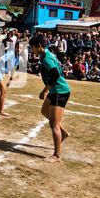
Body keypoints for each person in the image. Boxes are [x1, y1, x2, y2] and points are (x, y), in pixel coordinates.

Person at [29, 34, 71, 163]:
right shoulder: (47, 54)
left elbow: (55, 74)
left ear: (40, 47)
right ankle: (63, 133)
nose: (32, 50)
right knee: (44, 111)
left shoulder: (47, 58)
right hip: (55, 90)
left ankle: (57, 155)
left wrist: (44, 90)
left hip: (59, 91)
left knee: (53, 124)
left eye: (33, 48)